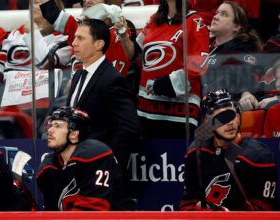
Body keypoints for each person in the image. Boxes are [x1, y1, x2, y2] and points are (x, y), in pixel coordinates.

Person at [116, 0, 209, 138]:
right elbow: (134, 53)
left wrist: (165, 84)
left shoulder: (195, 21)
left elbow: (199, 63)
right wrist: (123, 35)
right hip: (146, 109)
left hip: (179, 114)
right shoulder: (154, 20)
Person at [180, 89, 277, 211]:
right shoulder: (196, 152)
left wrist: (222, 213)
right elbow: (188, 204)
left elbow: (264, 210)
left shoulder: (258, 156)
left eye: (233, 114)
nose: (230, 123)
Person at [66, 19, 141, 173]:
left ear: (98, 44)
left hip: (99, 171)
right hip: (76, 165)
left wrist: (107, 160)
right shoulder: (78, 75)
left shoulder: (112, 79)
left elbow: (130, 128)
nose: (74, 43)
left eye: (80, 38)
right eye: (74, 37)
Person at [37, 106, 135, 210]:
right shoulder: (47, 168)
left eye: (58, 126)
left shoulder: (95, 155)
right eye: (50, 125)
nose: (50, 130)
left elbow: (93, 210)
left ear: (74, 135)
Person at [39, 0, 133, 76]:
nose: (87, 1)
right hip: (79, 90)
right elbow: (51, 13)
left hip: (111, 92)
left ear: (108, 2)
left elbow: (132, 55)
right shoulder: (79, 26)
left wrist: (123, 34)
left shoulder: (121, 31)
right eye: (85, 0)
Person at [201, 1, 262, 109]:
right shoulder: (205, 47)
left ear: (237, 26)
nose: (215, 17)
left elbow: (246, 74)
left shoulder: (242, 49)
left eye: (224, 14)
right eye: (217, 13)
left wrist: (246, 93)